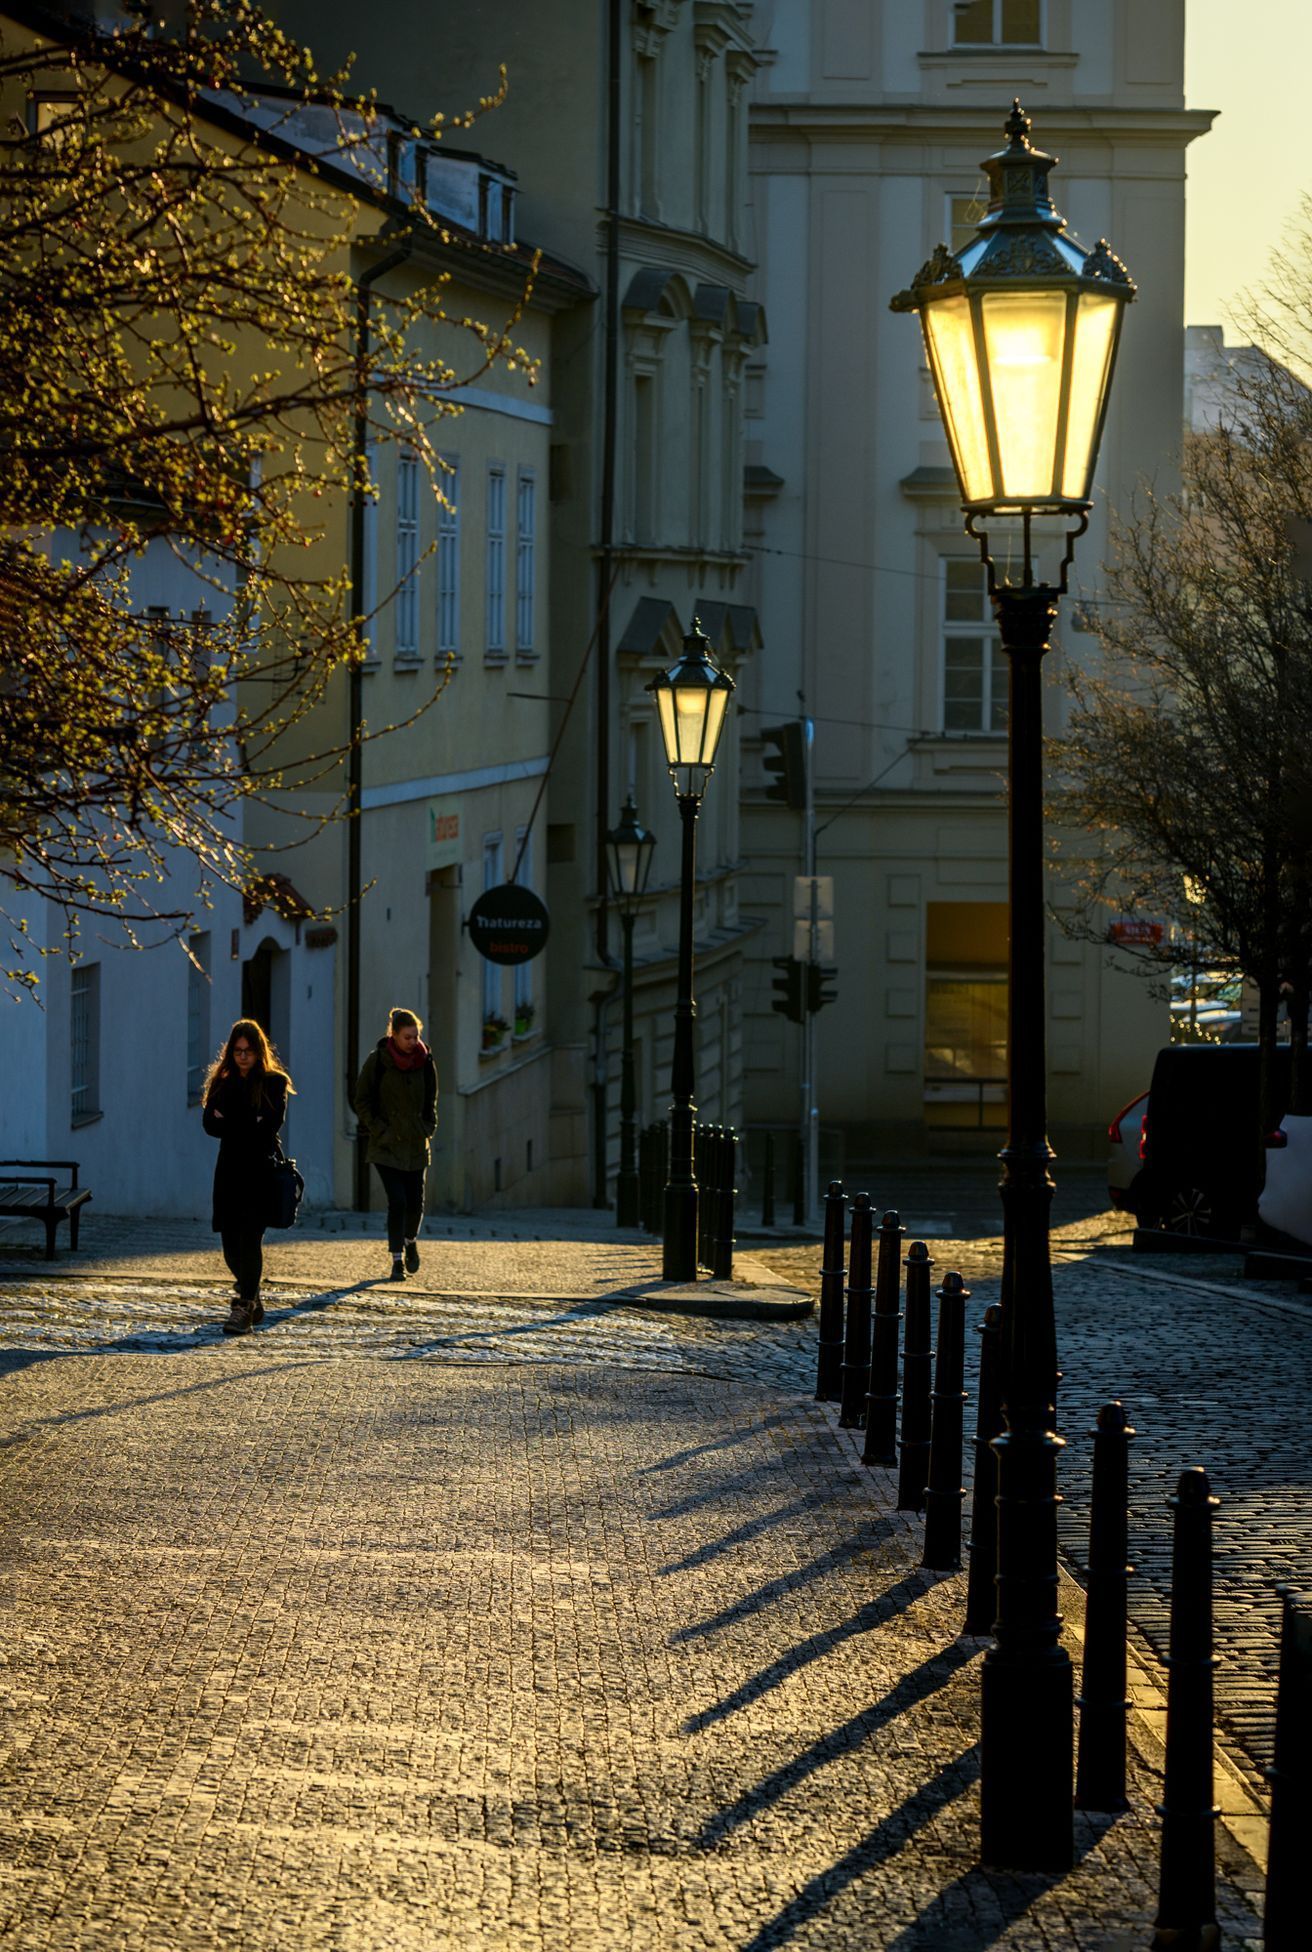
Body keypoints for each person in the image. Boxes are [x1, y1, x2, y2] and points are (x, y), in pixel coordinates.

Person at [201, 1018, 293, 1335]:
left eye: (248, 1051)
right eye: (237, 1050)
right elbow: (209, 1124)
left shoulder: (274, 1083)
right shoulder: (222, 1082)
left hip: (260, 1171)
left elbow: (269, 1124)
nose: (243, 1056)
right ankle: (251, 1295)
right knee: (229, 1245)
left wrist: (233, 1120)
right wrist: (247, 1121)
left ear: (258, 1052)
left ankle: (242, 1309)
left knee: (250, 1239)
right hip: (229, 1171)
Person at [353, 1006, 438, 1281]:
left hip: (415, 1143)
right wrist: (380, 1130)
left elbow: (431, 1100)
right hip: (386, 1146)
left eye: (416, 1037)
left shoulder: (425, 1061)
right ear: (394, 1035)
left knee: (415, 1202)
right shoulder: (378, 1061)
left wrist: (428, 1126)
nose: (414, 1042)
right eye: (408, 1037)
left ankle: (410, 1241)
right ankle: (396, 1260)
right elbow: (362, 1099)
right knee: (397, 1201)